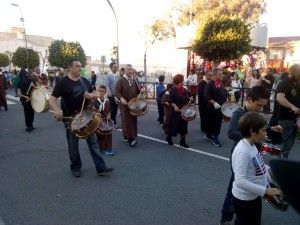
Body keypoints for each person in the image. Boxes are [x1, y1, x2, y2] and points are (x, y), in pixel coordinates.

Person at [219, 86, 282, 225]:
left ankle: (249, 206)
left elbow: (258, 128)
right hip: (241, 155)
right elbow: (231, 133)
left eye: (263, 106)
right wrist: (250, 136)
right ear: (249, 100)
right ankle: (226, 217)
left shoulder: (255, 114)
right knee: (235, 187)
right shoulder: (239, 113)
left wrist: (270, 129)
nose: (260, 108)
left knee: (254, 179)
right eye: (258, 105)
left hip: (253, 150)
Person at [49, 58, 113, 177]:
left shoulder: (84, 81)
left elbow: (96, 93)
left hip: (87, 117)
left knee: (93, 143)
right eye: (77, 66)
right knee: (73, 145)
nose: (80, 68)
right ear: (70, 68)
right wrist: (57, 110)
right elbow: (52, 99)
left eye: (80, 66)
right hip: (71, 119)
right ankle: (75, 167)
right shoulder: (63, 82)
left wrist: (91, 95)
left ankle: (101, 168)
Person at [232, 112, 281, 225]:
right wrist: (266, 191)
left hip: (254, 195)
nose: (265, 133)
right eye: (263, 131)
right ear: (253, 131)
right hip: (244, 200)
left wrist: (271, 173)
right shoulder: (242, 151)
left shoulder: (252, 144)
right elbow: (239, 181)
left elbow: (258, 165)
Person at [276, 64, 300, 158]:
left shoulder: (296, 83)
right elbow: (280, 98)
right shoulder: (284, 83)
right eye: (299, 75)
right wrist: (292, 107)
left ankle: (283, 159)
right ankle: (279, 165)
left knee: (289, 144)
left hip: (295, 118)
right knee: (285, 143)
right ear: (293, 73)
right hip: (286, 118)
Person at [115, 64, 143, 146]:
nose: (130, 71)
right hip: (125, 104)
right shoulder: (121, 80)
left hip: (134, 104)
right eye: (128, 69)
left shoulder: (135, 79)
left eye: (131, 69)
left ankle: (129, 135)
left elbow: (138, 91)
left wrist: (142, 90)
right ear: (125, 70)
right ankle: (131, 139)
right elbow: (117, 92)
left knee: (133, 120)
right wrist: (121, 98)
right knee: (127, 121)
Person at [204, 68, 227, 147]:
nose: (222, 76)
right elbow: (206, 96)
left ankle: (209, 135)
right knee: (215, 123)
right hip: (212, 107)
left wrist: (228, 93)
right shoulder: (209, 84)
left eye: (222, 74)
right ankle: (215, 138)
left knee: (217, 122)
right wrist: (214, 103)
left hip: (220, 106)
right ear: (215, 75)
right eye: (220, 74)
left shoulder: (220, 83)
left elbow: (223, 92)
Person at [166, 74, 191, 148]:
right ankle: (169, 138)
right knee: (173, 125)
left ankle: (182, 141)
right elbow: (170, 100)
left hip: (183, 110)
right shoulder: (173, 90)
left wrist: (189, 99)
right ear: (180, 80)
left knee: (184, 125)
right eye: (183, 79)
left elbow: (187, 98)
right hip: (175, 111)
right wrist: (174, 106)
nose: (183, 81)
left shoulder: (184, 89)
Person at [94, 85, 114, 156]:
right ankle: (102, 148)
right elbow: (92, 111)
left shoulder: (107, 101)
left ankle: (109, 147)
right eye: (99, 91)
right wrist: (96, 113)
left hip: (106, 120)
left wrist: (109, 115)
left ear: (105, 93)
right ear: (97, 91)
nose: (101, 93)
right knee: (100, 135)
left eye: (103, 91)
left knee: (109, 133)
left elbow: (109, 111)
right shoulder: (95, 101)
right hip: (98, 121)